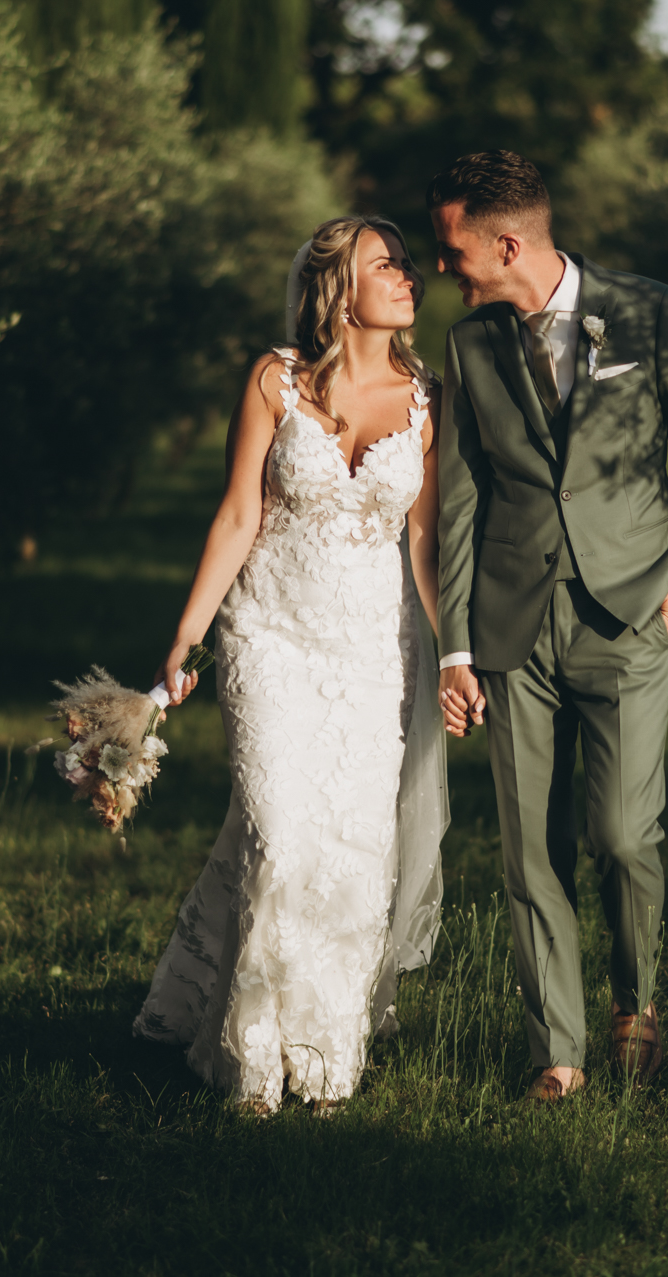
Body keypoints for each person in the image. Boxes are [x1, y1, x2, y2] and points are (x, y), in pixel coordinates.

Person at [431, 151, 668, 1103]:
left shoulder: (650, 311)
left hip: (632, 611)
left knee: (622, 834)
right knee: (531, 849)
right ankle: (556, 1053)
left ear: (506, 245)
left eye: (452, 250)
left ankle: (635, 1002)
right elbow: (461, 498)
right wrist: (455, 646)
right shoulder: (469, 343)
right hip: (511, 625)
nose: (441, 267)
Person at [132, 217, 448, 1115]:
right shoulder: (275, 380)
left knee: (351, 847)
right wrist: (187, 634)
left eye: (408, 266)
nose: (409, 277)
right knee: (278, 832)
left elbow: (423, 543)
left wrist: (455, 656)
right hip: (269, 634)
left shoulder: (426, 399)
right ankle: (250, 1059)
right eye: (387, 265)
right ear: (339, 288)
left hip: (373, 652)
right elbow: (239, 514)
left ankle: (323, 1053)